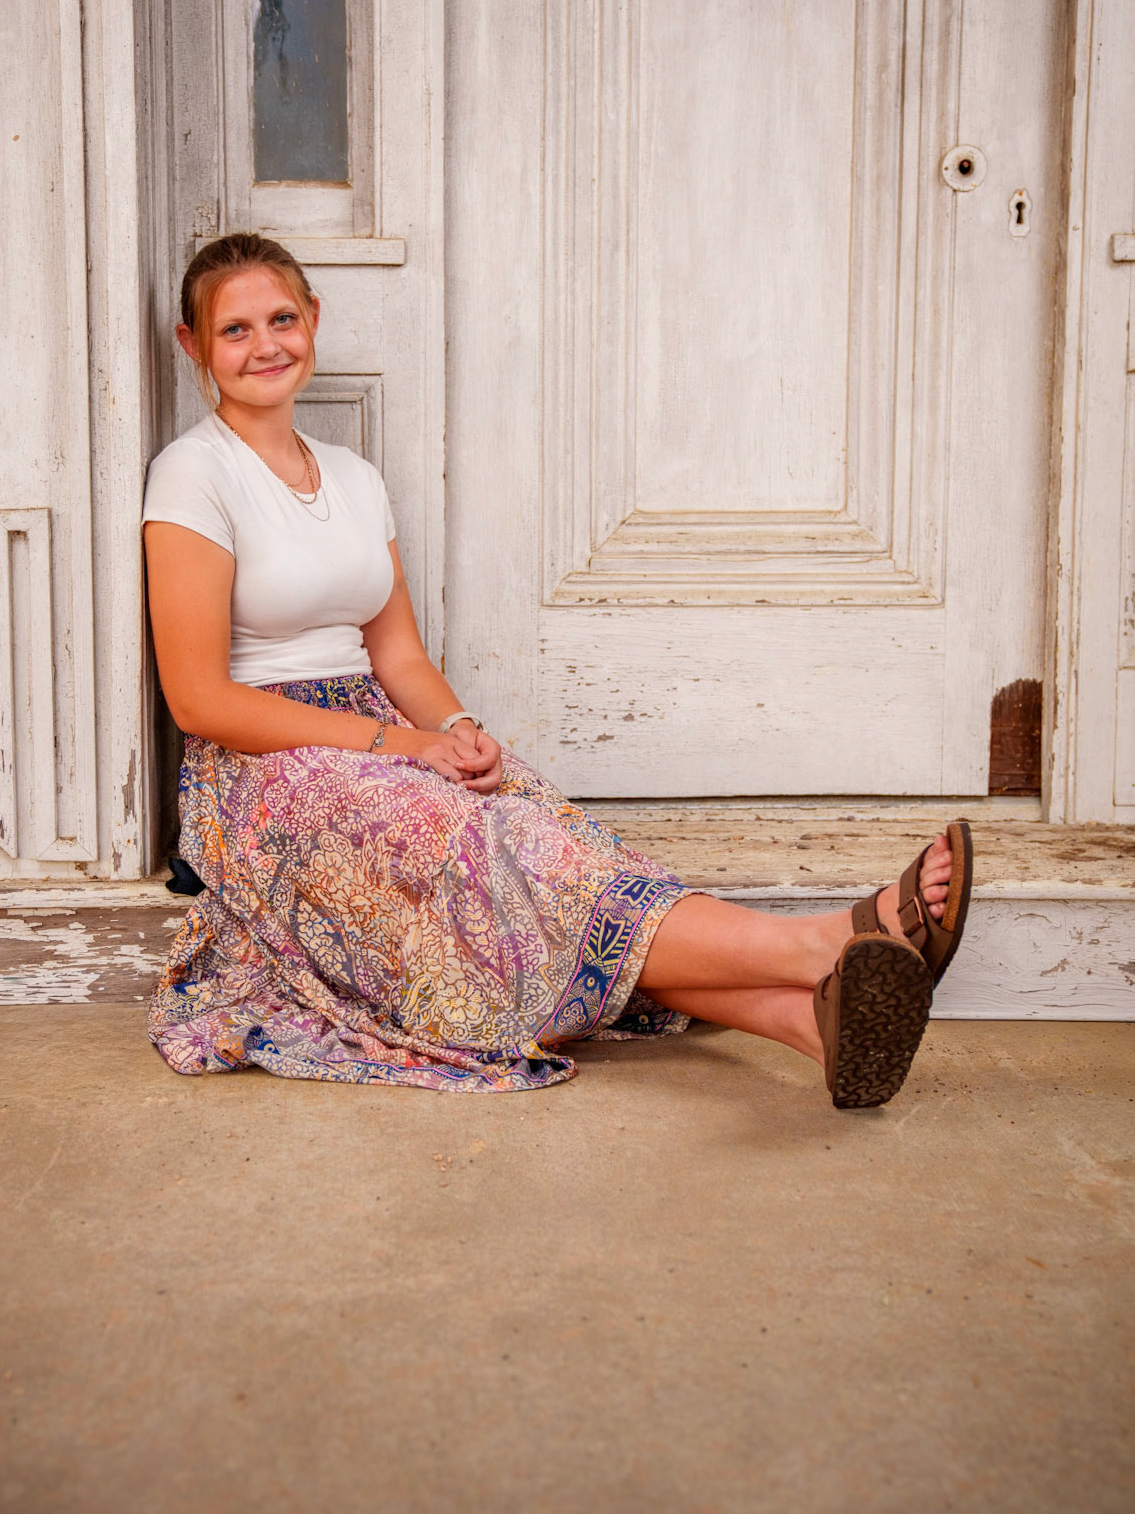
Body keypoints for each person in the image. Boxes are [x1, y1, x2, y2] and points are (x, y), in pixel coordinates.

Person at [142, 234, 972, 1106]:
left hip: (382, 727)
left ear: (313, 319)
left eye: (281, 319)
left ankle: (805, 1023)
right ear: (193, 344)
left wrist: (457, 731)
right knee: (481, 850)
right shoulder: (194, 474)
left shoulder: (352, 477)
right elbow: (199, 701)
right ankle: (827, 941)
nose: (265, 345)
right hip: (263, 767)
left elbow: (398, 655)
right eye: (234, 330)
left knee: (545, 833)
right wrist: (402, 746)